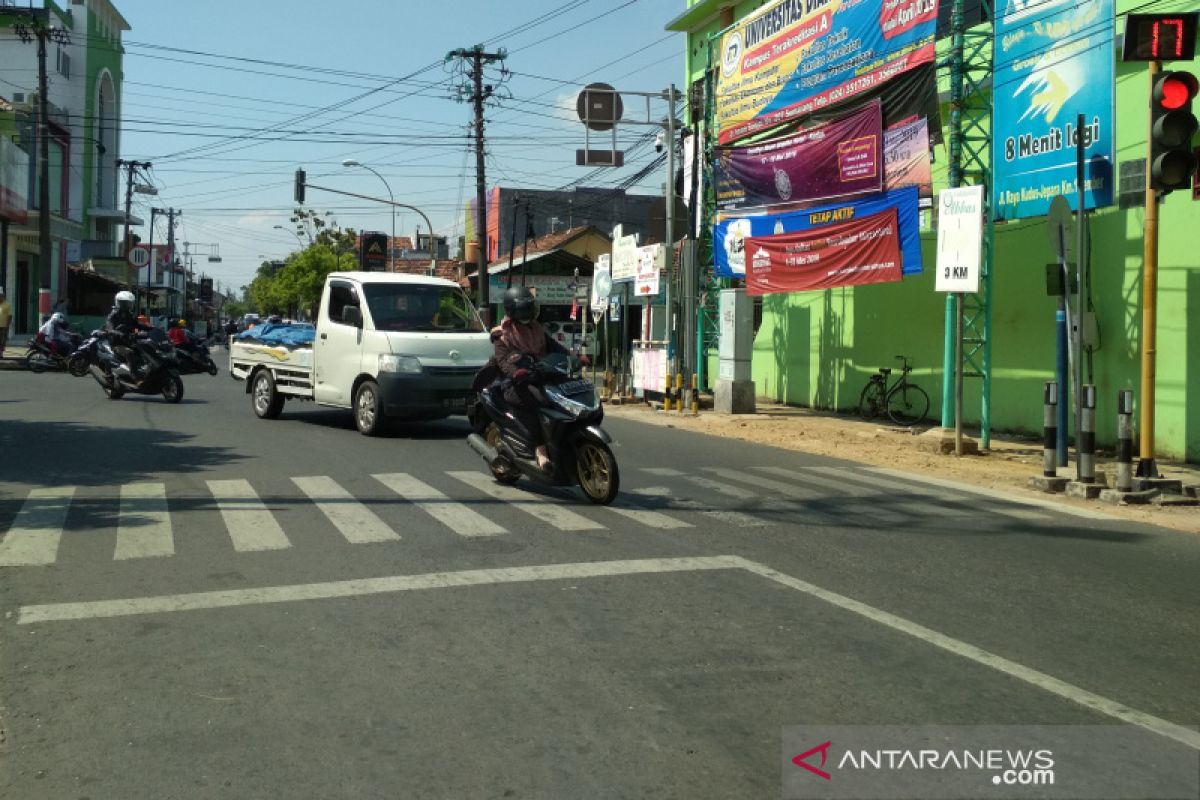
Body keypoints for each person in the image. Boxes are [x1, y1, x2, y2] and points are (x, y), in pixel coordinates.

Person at [488, 286, 573, 471]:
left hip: (541, 376)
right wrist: (515, 372)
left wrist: (574, 357)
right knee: (539, 403)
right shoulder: (502, 335)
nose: (527, 313)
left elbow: (556, 348)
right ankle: (540, 450)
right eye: (523, 310)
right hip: (515, 384)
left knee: (562, 400)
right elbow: (502, 361)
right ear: (512, 311)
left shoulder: (536, 329)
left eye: (529, 308)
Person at [105, 290, 153, 375]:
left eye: (128, 303)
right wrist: (120, 334)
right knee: (129, 353)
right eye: (123, 303)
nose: (126, 306)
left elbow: (138, 325)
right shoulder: (113, 315)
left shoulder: (130, 315)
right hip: (117, 343)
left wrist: (151, 328)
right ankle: (135, 376)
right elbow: (110, 329)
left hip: (130, 341)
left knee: (146, 349)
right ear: (118, 303)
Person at [0, 291, 11, 358]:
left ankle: (1, 354)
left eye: (0, 296)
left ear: (3, 297)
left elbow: (10, 316)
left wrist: (7, 326)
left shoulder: (7, 305)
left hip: (4, 326)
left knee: (2, 341)